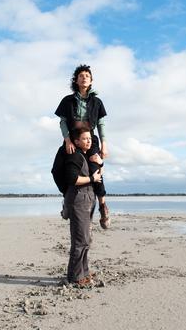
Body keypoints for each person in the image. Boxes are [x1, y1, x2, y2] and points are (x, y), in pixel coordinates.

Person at [54, 64, 111, 229]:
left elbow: (101, 124)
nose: (84, 77)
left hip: (90, 139)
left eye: (87, 75)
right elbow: (62, 121)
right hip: (72, 139)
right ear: (76, 80)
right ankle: (67, 202)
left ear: (91, 80)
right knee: (59, 169)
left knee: (96, 167)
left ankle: (102, 206)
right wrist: (67, 140)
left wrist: (104, 145)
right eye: (81, 75)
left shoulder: (97, 102)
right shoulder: (68, 100)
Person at [64, 127, 103, 285]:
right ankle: (75, 277)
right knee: (80, 240)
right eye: (85, 138)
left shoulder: (85, 156)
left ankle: (84, 272)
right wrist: (92, 179)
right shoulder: (75, 156)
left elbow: (99, 175)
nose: (89, 141)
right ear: (77, 141)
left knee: (86, 239)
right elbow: (73, 179)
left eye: (90, 138)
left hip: (87, 199)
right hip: (78, 200)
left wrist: (101, 163)